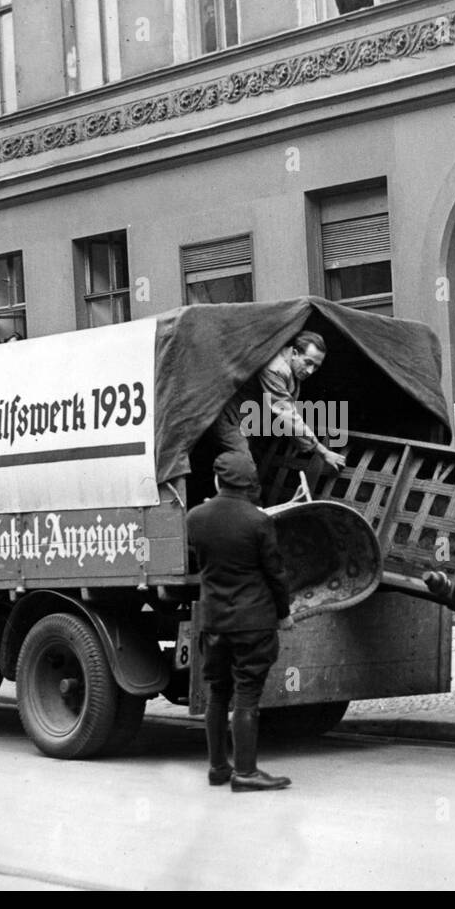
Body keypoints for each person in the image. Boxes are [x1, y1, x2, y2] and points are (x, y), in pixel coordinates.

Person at [186, 451, 294, 792]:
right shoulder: (259, 521)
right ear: (250, 484)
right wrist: (284, 613)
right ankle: (246, 773)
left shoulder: (195, 518)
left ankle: (218, 768)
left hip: (214, 621)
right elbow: (276, 574)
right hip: (253, 621)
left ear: (218, 480)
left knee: (217, 694)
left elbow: (198, 558)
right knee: (247, 694)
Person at [211, 330, 347, 474]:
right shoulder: (275, 368)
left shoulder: (292, 369)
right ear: (294, 353)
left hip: (249, 425)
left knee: (252, 464)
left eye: (316, 367)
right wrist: (323, 451)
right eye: (308, 363)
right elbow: (286, 413)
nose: (310, 371)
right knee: (244, 467)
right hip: (229, 421)